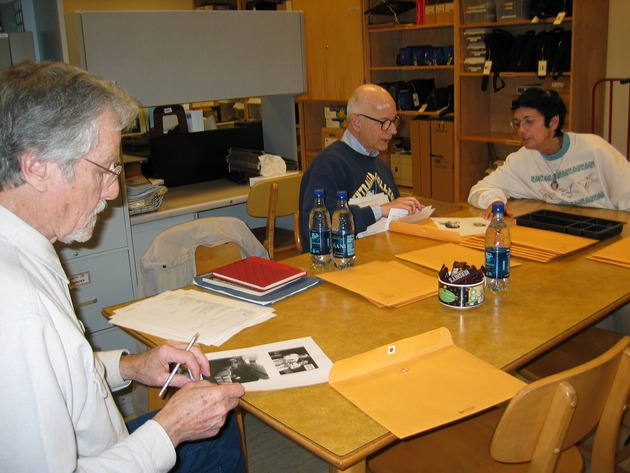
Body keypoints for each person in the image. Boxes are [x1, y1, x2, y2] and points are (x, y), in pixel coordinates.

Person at [0, 61, 245, 472]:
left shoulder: (24, 247)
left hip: (110, 445)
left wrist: (132, 366)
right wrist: (170, 429)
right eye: (105, 169)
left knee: (219, 435)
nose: (114, 191)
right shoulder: (18, 309)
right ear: (36, 166)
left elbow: (61, 373)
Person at [468, 87, 630, 219]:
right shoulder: (523, 158)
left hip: (603, 227)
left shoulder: (595, 149)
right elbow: (479, 189)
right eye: (517, 123)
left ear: (553, 122)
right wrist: (496, 202)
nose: (521, 130)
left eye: (529, 122)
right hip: (555, 229)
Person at [299, 83, 422, 246]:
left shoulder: (380, 165)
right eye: (384, 122)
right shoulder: (326, 165)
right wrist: (379, 211)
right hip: (342, 265)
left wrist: (409, 211)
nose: (393, 131)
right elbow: (318, 227)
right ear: (357, 122)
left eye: (394, 121)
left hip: (382, 256)